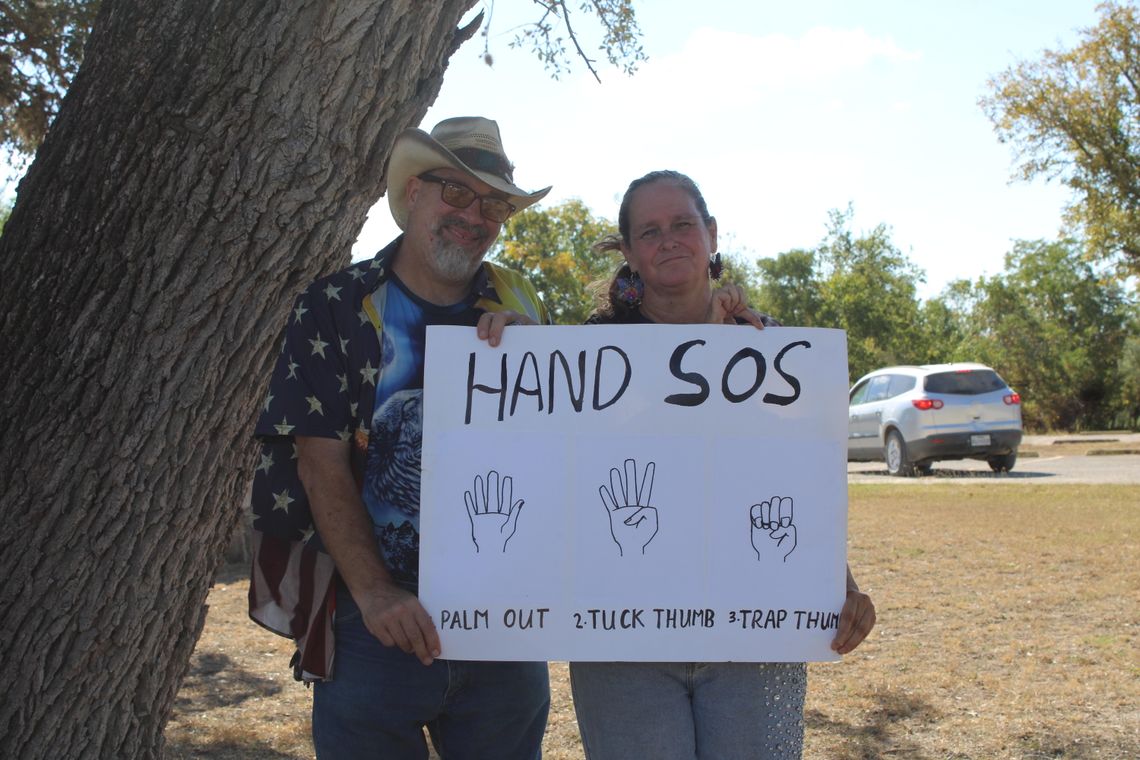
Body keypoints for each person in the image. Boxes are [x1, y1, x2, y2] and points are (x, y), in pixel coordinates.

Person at [248, 116, 553, 759]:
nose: (476, 215)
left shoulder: (521, 301)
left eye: (494, 203)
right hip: (374, 625)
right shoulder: (336, 304)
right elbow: (318, 463)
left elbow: (564, 455)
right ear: (413, 193)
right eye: (458, 192)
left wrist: (541, 363)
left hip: (501, 624)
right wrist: (376, 593)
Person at [570, 170, 877, 760]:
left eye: (683, 224)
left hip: (755, 632)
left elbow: (794, 481)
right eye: (650, 231)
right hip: (625, 639)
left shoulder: (775, 346)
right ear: (630, 252)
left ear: (711, 234)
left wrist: (840, 584)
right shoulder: (590, 352)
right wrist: (499, 345)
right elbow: (573, 472)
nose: (669, 240)